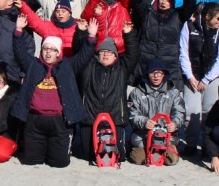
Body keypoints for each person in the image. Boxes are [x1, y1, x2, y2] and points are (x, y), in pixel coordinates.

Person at [10, 17, 96, 168]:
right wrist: (18, 31)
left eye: (53, 50)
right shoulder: (33, 64)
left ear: (58, 53)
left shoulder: (67, 65)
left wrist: (91, 37)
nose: (49, 53)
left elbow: (84, 57)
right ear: (41, 50)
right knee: (31, 161)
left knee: (60, 163)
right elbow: (19, 53)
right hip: (35, 119)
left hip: (59, 120)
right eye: (46, 49)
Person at [75, 20, 139, 163]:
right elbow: (80, 51)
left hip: (115, 117)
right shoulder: (89, 66)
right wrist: (81, 32)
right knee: (87, 155)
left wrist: (128, 35)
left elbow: (133, 54)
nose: (105, 54)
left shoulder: (122, 68)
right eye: (102, 51)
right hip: (90, 118)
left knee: (119, 156)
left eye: (110, 52)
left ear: (116, 56)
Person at [179, 2, 219, 156]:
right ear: (208, 16)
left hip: (214, 76)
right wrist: (190, 76)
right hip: (192, 75)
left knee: (210, 111)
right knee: (191, 111)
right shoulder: (189, 27)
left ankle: (209, 145)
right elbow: (184, 52)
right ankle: (191, 143)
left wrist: (207, 79)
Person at [131, 0, 196, 89]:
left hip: (169, 68)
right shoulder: (147, 14)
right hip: (146, 65)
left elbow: (190, 4)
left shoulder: (178, 16)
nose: (163, 2)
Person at [127, 59, 185, 166]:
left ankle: (168, 148)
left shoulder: (173, 92)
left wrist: (174, 124)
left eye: (159, 73)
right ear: (147, 74)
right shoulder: (137, 92)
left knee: (171, 161)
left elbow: (180, 112)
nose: (156, 76)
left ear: (164, 74)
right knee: (139, 159)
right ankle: (134, 148)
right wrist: (144, 122)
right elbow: (132, 114)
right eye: (152, 73)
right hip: (143, 135)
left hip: (165, 135)